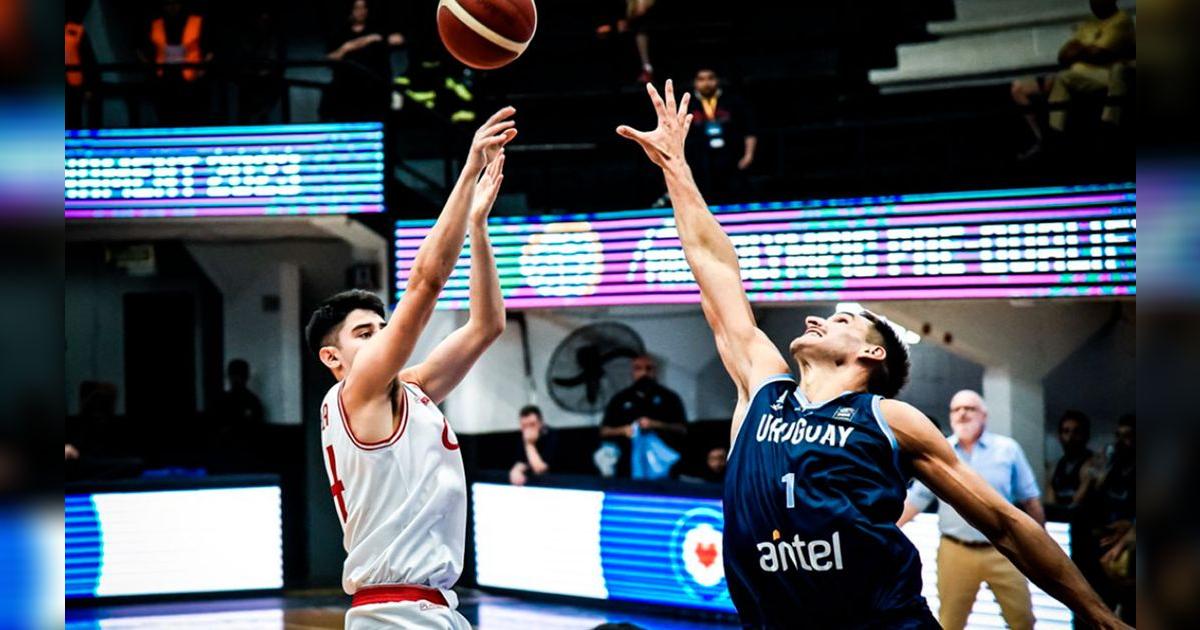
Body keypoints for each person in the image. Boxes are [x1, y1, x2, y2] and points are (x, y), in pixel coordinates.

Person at [615, 80, 1127, 629]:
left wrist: (1097, 614)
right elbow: (715, 268)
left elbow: (1003, 523)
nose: (815, 318)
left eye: (840, 320)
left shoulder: (888, 419)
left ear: (871, 352)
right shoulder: (762, 388)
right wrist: (676, 167)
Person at [305, 107, 515, 629]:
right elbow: (425, 281)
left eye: (382, 327)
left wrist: (478, 227)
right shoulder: (354, 395)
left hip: (431, 607)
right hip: (394, 612)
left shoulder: (412, 388)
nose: (381, 338)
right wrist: (467, 173)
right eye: (364, 333)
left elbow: (487, 324)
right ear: (332, 359)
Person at [898, 390, 1045, 630]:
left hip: (1004, 550)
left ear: (984, 415)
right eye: (956, 409)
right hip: (955, 550)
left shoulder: (1007, 450)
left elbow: (1030, 500)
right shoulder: (938, 450)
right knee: (949, 623)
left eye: (970, 408)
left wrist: (1038, 547)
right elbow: (915, 501)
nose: (962, 414)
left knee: (1023, 621)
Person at [1010, 0, 1135, 158]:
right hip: (1078, 73)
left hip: (1107, 76)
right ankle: (1048, 135)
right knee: (1023, 87)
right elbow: (1063, 55)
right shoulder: (1090, 23)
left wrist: (1080, 49)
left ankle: (1108, 126)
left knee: (1063, 78)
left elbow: (1099, 54)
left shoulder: (1121, 21)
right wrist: (1084, 50)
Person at [598, 354, 687, 478]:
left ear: (655, 371)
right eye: (638, 368)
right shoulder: (620, 399)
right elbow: (604, 431)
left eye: (648, 368)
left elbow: (682, 429)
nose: (644, 372)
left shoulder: (670, 398)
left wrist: (656, 424)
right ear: (632, 372)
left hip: (662, 465)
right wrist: (623, 430)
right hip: (626, 465)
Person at [683, 67, 757, 204]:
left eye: (710, 78)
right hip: (700, 162)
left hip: (732, 159)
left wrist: (748, 155)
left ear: (717, 80)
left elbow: (749, 130)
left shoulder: (733, 101)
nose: (706, 83)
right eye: (702, 79)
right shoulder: (687, 105)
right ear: (695, 83)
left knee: (736, 199)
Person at [321, 0, 404, 122]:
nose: (361, 11)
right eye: (357, 8)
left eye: (364, 8)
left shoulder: (378, 29)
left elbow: (398, 39)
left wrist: (385, 38)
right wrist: (349, 46)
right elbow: (329, 59)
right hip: (347, 93)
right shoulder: (340, 33)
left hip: (374, 94)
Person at [139, 0, 212, 125]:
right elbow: (140, 48)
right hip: (164, 81)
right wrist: (150, 70)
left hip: (192, 82)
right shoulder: (155, 23)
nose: (172, 7)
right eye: (168, 3)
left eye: (175, 3)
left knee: (193, 119)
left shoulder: (197, 22)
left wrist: (202, 70)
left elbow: (211, 48)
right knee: (166, 119)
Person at [596, 0, 658, 83]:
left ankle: (646, 70)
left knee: (640, 36)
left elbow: (640, 14)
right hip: (628, 31)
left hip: (643, 31)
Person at [1046, 410, 1094, 508]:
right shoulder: (1055, 466)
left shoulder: (1092, 463)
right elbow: (1050, 502)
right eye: (1066, 431)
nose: (1070, 437)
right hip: (1060, 518)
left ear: (1085, 435)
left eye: (1076, 432)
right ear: (1060, 436)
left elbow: (1078, 502)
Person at [508, 405, 560, 486]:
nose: (528, 429)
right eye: (524, 426)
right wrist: (515, 470)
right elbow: (521, 462)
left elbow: (540, 469)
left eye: (532, 424)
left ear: (541, 423)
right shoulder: (521, 436)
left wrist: (529, 444)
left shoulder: (552, 436)